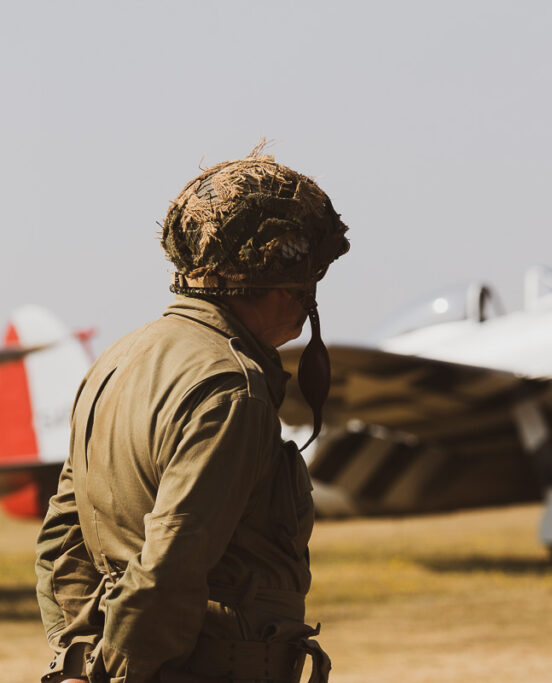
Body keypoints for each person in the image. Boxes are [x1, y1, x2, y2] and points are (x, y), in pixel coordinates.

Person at [34, 146, 350, 683]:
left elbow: (62, 539)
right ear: (277, 276)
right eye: (306, 270)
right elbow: (170, 566)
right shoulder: (234, 389)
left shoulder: (116, 361)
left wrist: (82, 662)